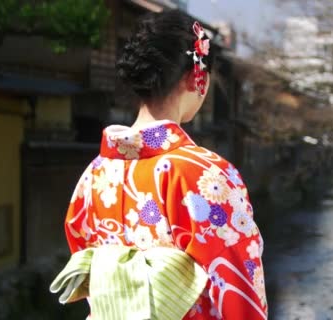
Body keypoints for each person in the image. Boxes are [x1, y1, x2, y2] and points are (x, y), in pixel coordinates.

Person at [58, 9, 267, 320]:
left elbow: (82, 254)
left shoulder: (95, 173)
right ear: (196, 78)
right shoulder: (204, 173)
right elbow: (239, 287)